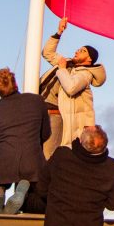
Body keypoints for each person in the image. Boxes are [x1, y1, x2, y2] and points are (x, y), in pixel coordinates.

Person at [0, 67, 50, 214]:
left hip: (2, 161)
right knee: (28, 177)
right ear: (15, 83)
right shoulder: (36, 101)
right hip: (31, 158)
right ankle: (22, 187)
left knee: (3, 173)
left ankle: (0, 190)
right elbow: (46, 132)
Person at [41, 17, 106, 157]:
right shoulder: (68, 63)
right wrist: (58, 33)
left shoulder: (85, 75)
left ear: (89, 59)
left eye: (82, 51)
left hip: (53, 114)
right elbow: (47, 53)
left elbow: (71, 87)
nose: (77, 51)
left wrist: (62, 69)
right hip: (39, 109)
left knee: (48, 155)